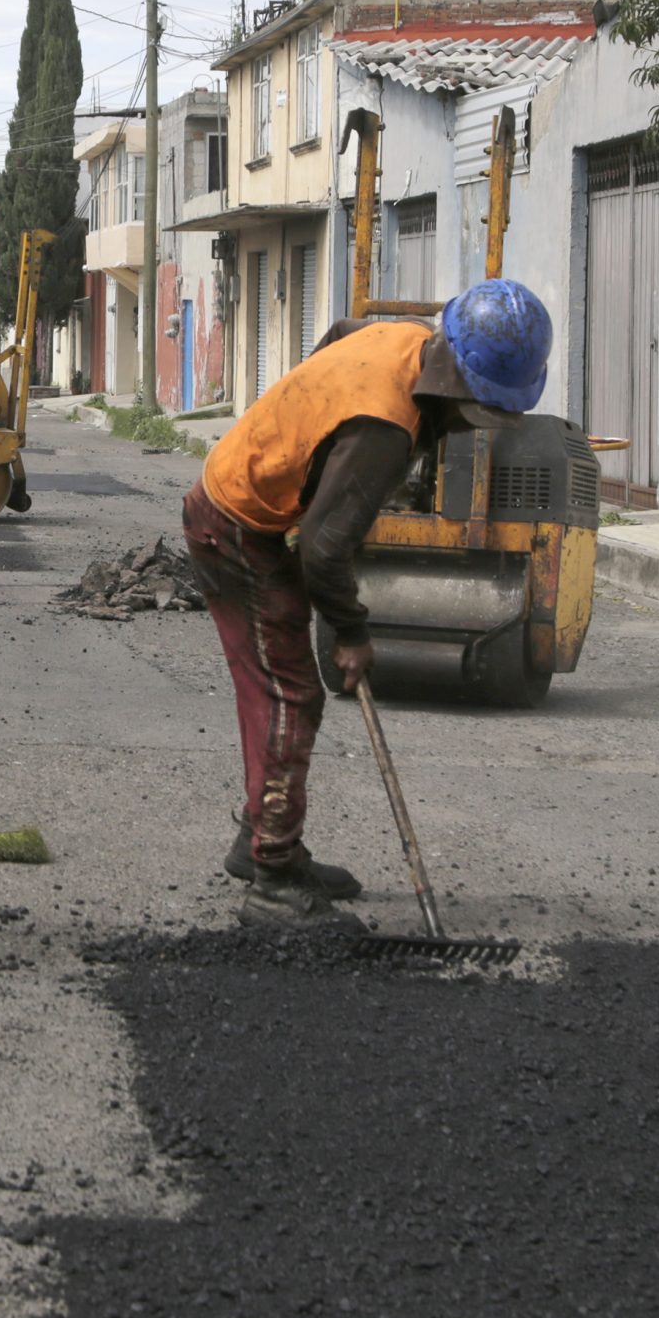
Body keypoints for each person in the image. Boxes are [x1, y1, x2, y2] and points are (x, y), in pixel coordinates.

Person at [183, 280, 552, 926]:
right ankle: (271, 877)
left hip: (246, 507)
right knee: (290, 692)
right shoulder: (386, 428)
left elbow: (336, 339)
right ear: (465, 389)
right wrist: (352, 633)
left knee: (281, 687)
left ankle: (263, 839)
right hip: (233, 523)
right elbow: (323, 551)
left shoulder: (407, 341)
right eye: (484, 409)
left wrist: (315, 448)